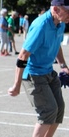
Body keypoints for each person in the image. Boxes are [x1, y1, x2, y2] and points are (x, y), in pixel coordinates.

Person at [8, 0, 69, 136]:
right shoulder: (40, 26)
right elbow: (23, 55)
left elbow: (57, 43)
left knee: (59, 110)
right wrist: (16, 85)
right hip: (33, 74)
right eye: (68, 11)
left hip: (48, 72)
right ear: (56, 9)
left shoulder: (60, 24)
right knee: (48, 111)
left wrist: (63, 65)